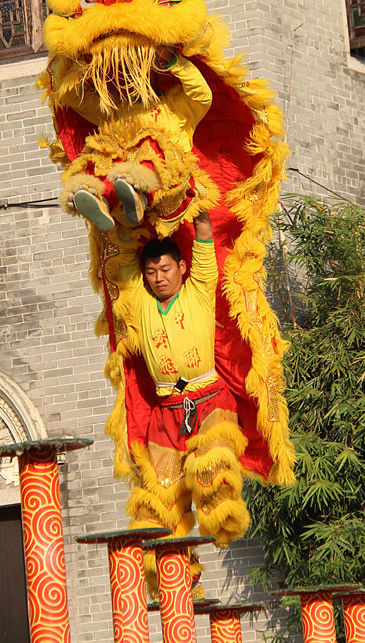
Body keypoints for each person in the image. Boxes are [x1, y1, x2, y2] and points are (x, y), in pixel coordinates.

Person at [117, 211, 250, 597]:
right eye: (152, 271)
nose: (159, 277)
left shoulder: (199, 289)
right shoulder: (141, 303)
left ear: (182, 267)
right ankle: (178, 578)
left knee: (211, 476)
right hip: (167, 411)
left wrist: (199, 206)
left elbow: (205, 237)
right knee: (156, 500)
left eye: (166, 269)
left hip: (211, 401)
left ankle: (220, 525)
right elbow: (123, 258)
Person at [58, 49, 216, 232]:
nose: (135, 74)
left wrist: (174, 61)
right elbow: (77, 99)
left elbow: (202, 95)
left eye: (142, 66)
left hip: (169, 185)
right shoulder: (117, 109)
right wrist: (74, 63)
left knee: (151, 141)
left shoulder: (175, 105)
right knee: (106, 144)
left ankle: (138, 194)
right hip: (121, 189)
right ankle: (101, 198)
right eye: (128, 69)